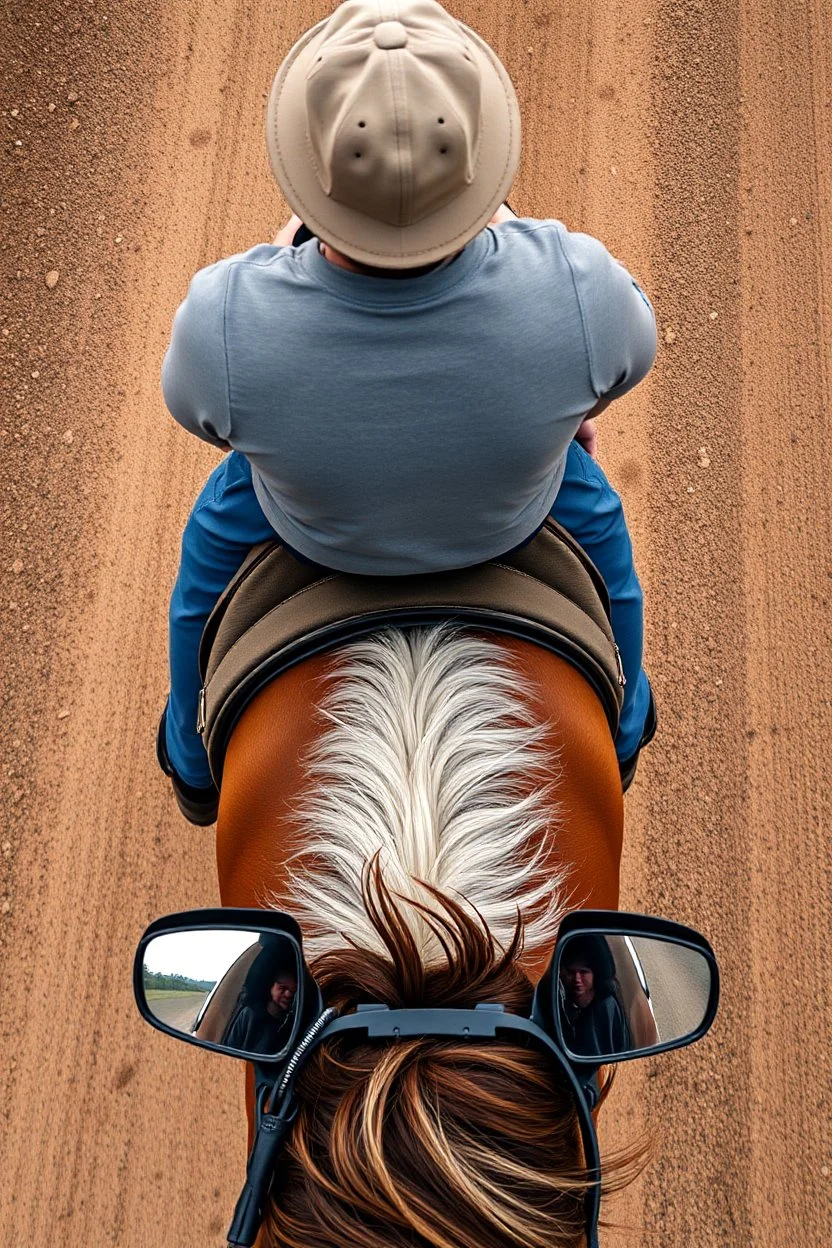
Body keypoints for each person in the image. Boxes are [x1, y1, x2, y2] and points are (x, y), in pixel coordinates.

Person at [155, 0, 658, 824]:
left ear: (310, 167)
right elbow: (632, 352)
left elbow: (197, 413)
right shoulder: (572, 283)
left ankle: (190, 757)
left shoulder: (227, 315)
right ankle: (626, 727)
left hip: (300, 527)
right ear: (478, 156)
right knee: (605, 539)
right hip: (518, 519)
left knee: (205, 557)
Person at [559, 934, 631, 1058]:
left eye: (583, 972)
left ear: (595, 974)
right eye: (571, 972)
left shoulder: (603, 1008)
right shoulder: (565, 1006)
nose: (577, 979)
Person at [222, 961, 297, 1056]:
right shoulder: (249, 1015)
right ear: (270, 986)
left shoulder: (292, 1024)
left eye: (293, 991)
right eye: (282, 988)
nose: (288, 994)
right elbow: (231, 1049)